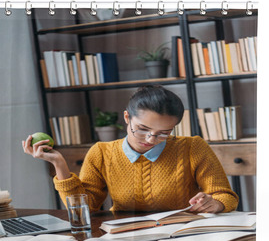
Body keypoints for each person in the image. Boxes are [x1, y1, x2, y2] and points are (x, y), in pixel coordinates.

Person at [22, 85, 238, 214]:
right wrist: (59, 163)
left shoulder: (193, 147)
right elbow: (83, 209)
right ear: (127, 117)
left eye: (164, 132)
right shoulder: (102, 153)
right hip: (124, 237)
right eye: (142, 129)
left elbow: (225, 196)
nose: (152, 139)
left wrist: (214, 204)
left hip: (182, 236)